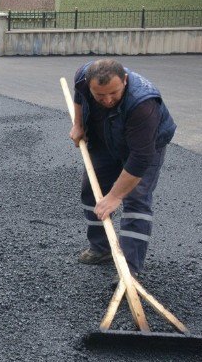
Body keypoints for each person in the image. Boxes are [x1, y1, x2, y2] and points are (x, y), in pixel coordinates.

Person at [69, 59, 177, 278]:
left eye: (114, 94)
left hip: (145, 145)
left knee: (136, 199)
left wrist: (115, 196)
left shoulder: (143, 104)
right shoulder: (83, 76)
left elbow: (140, 159)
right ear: (90, 85)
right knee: (92, 189)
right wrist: (78, 124)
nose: (107, 100)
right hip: (105, 136)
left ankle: (129, 271)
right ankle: (101, 249)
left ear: (125, 81)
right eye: (100, 96)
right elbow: (79, 96)